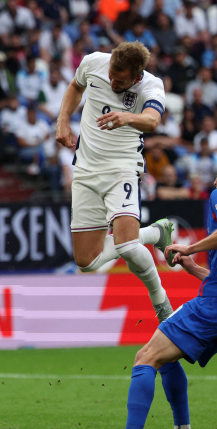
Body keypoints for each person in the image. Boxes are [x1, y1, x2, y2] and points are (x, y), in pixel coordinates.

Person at [95, 156, 217, 429]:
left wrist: (189, 246)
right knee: (167, 359)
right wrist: (193, 267)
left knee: (145, 358)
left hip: (215, 305)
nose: (215, 179)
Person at [55, 41, 174, 320]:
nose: (111, 81)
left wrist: (126, 117)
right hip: (84, 171)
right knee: (86, 262)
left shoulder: (151, 86)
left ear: (136, 75)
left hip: (122, 170)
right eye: (110, 75)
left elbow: (153, 120)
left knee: (127, 246)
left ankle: (162, 304)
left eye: (119, 80)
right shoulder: (93, 62)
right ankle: (156, 232)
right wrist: (63, 120)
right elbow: (75, 86)